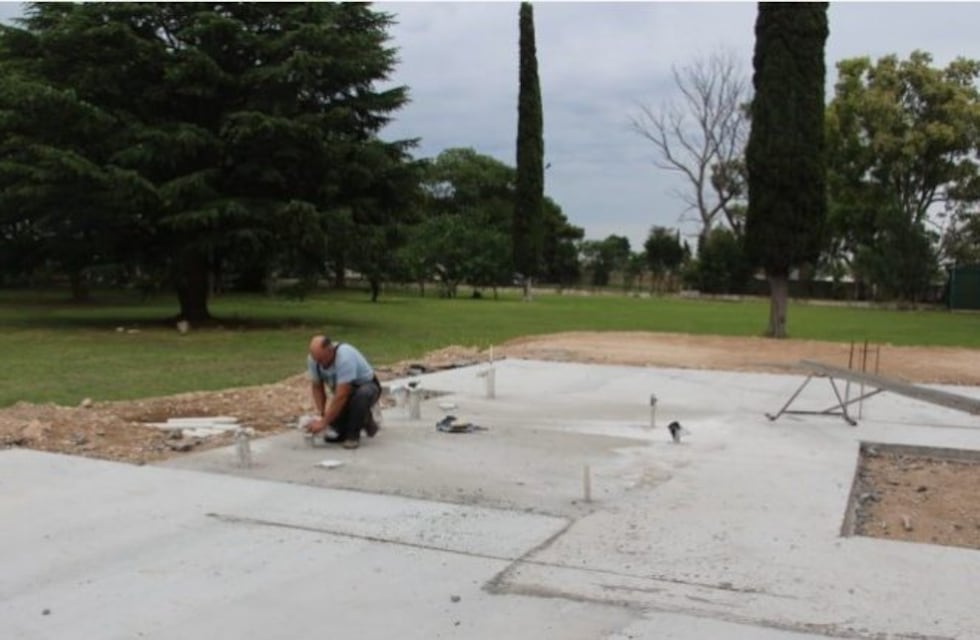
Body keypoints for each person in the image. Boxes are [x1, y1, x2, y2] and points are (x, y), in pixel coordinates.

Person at [305, 335, 381, 449]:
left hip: (367, 386)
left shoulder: (344, 357)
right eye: (316, 360)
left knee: (360, 398)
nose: (320, 364)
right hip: (344, 392)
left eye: (322, 359)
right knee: (332, 418)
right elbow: (317, 387)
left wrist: (323, 423)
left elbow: (342, 395)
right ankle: (345, 431)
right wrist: (322, 414)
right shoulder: (314, 360)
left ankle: (353, 436)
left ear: (330, 350)